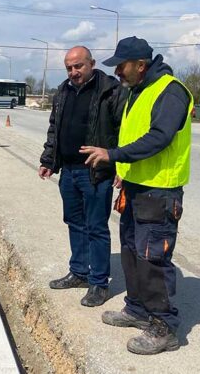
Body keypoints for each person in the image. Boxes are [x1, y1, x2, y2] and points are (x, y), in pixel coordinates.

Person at [81, 37, 193, 355]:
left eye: (122, 65)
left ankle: (164, 327)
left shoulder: (170, 91)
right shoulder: (137, 91)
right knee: (131, 252)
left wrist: (113, 154)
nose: (117, 71)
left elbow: (159, 137)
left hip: (159, 191)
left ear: (140, 65)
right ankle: (138, 309)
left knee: (152, 258)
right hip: (135, 188)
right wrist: (123, 170)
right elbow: (134, 135)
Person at [39, 46, 124, 307]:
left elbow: (124, 129)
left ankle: (98, 282)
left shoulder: (110, 90)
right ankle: (79, 272)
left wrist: (120, 164)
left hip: (96, 172)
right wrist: (48, 160)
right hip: (69, 171)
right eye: (69, 67)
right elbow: (55, 128)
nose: (74, 72)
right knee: (74, 222)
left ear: (92, 64)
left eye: (79, 66)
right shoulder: (63, 91)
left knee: (96, 226)